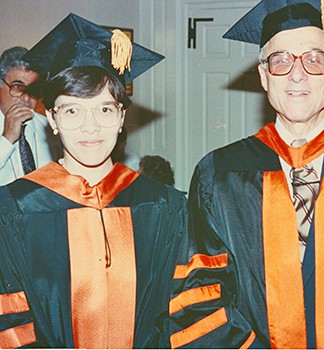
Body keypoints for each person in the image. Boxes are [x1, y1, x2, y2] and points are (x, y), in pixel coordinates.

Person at [168, 1, 324, 348]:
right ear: (263, 75)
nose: (297, 74)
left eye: (313, 59)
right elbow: (200, 297)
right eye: (280, 60)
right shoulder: (219, 175)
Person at [0, 13, 186, 348]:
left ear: (121, 118)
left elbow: (182, 311)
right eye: (72, 111)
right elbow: (10, 320)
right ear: (52, 119)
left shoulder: (164, 205)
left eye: (104, 109)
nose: (90, 128)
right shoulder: (15, 208)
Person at [0, 46, 58, 185]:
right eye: (18, 87)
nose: (26, 98)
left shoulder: (49, 127)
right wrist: (6, 140)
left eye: (33, 89)